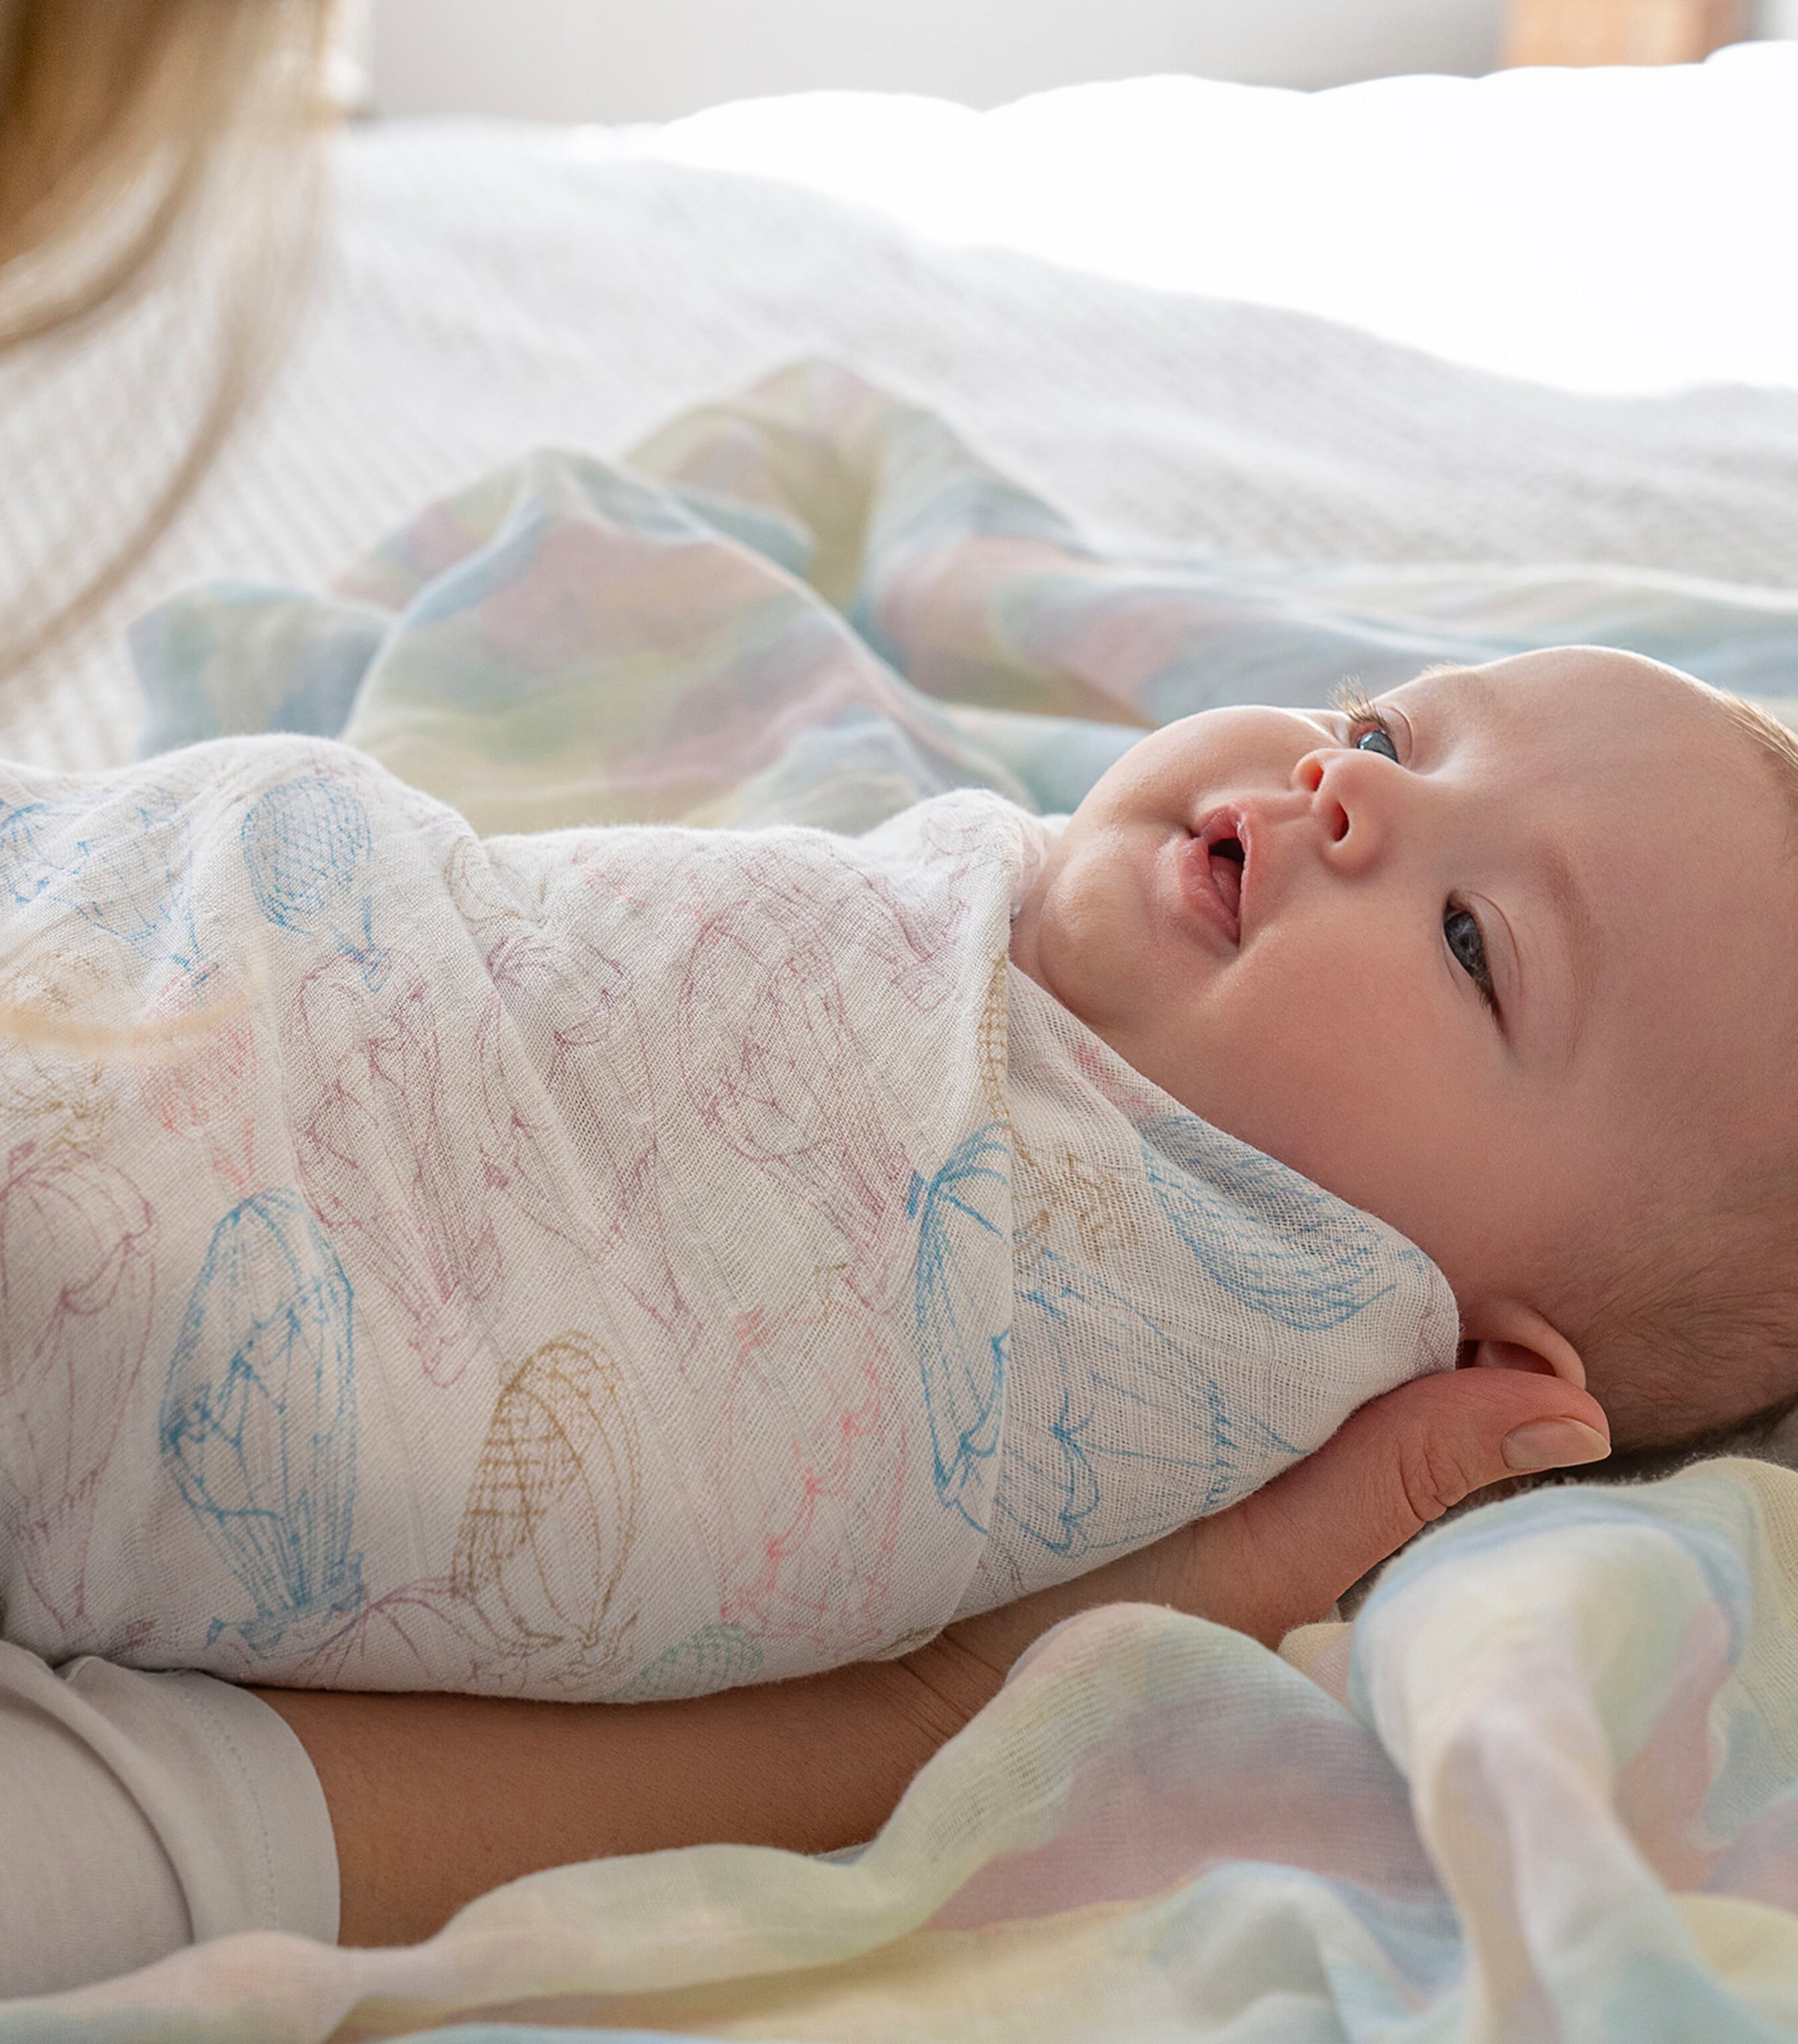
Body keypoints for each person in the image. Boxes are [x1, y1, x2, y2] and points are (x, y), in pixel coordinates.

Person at [0, 0, 1616, 1998]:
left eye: (1475, 941)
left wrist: (1016, 1662)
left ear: (1478, 1337)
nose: (1342, 785)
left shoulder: (1180, 1335)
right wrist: (938, 1702)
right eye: (1379, 723)